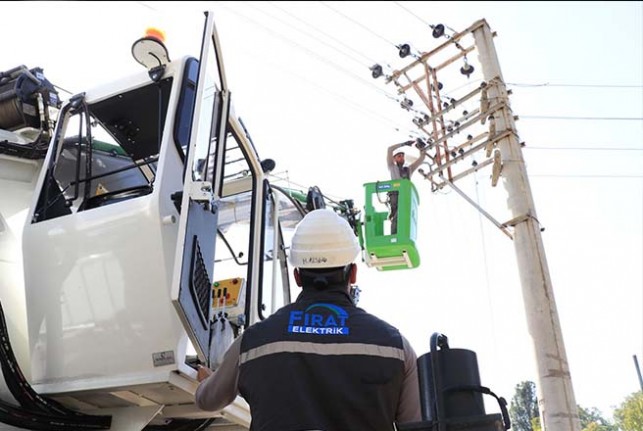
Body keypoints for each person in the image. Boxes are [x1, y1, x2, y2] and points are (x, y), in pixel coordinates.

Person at [195, 209, 421, 430]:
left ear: (297, 277)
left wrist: (208, 381)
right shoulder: (396, 347)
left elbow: (208, 401)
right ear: (352, 274)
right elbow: (419, 424)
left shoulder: (252, 343)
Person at [386, 141, 426, 234]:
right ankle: (394, 235)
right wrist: (404, 144)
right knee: (396, 216)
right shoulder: (392, 167)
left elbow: (421, 159)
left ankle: (403, 235)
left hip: (405, 196)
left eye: (402, 156)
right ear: (394, 158)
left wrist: (422, 149)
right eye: (399, 156)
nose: (401, 158)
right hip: (395, 196)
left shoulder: (408, 169)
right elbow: (389, 149)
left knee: (404, 217)